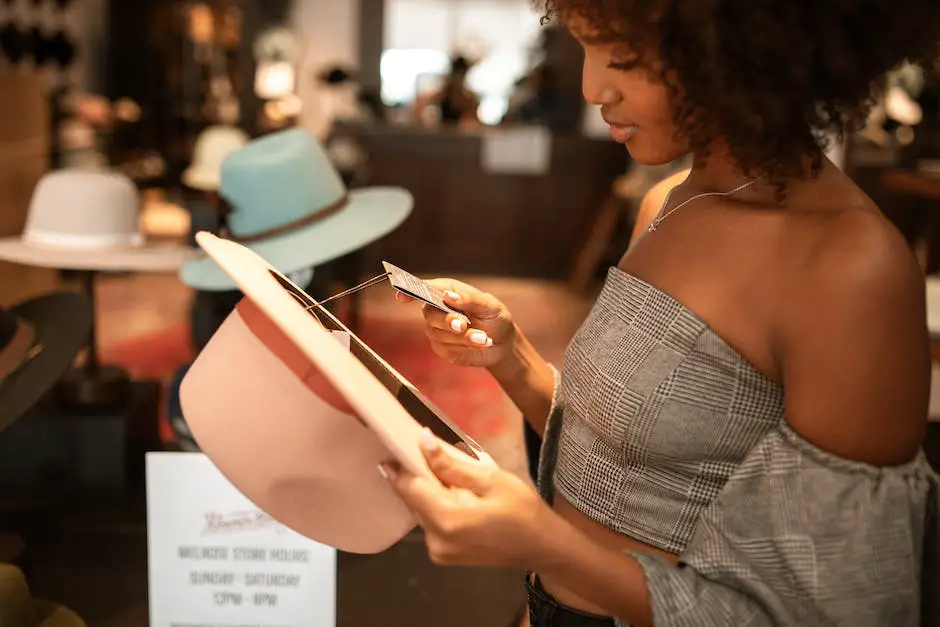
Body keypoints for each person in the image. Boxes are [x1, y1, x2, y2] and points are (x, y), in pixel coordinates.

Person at [379, 1, 940, 625]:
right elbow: (629, 459)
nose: (594, 87)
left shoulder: (848, 266)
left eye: (626, 57)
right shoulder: (668, 203)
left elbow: (825, 612)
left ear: (740, 48)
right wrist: (512, 359)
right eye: (584, 47)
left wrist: (545, 544)